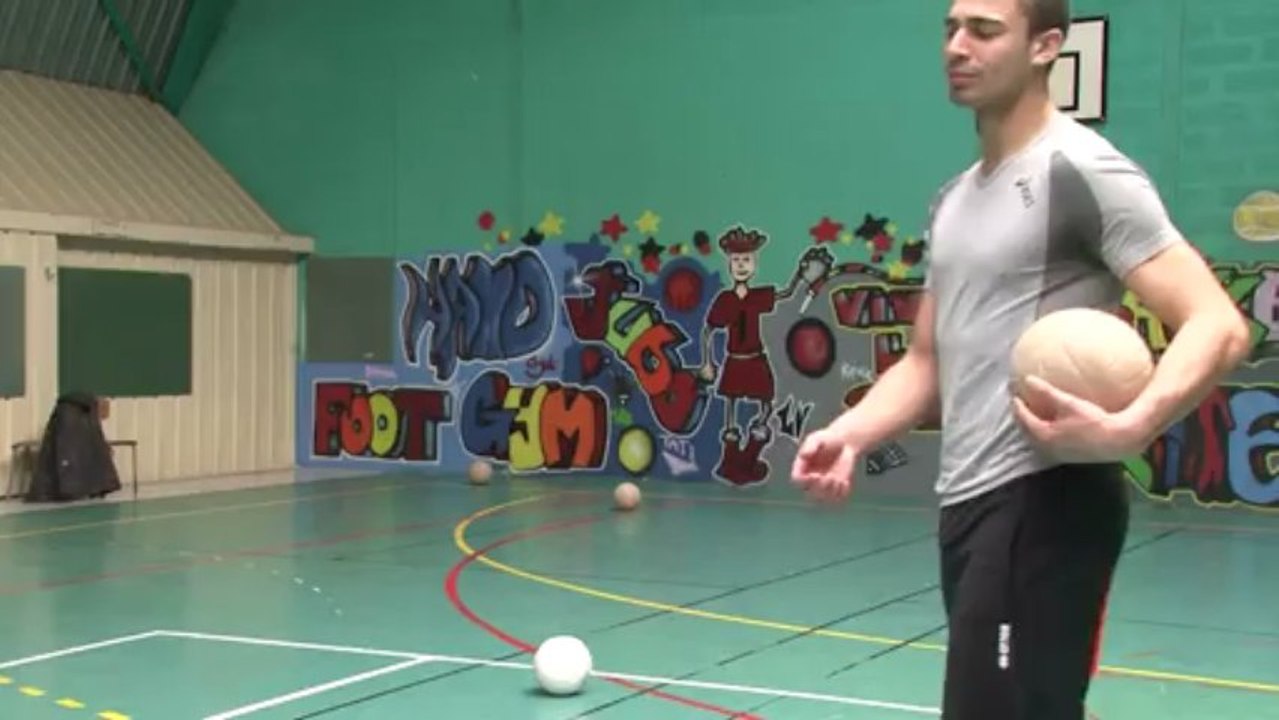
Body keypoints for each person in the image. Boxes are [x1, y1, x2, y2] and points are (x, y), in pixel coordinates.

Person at [789, 0, 1252, 718]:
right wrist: (849, 435)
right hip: (968, 502)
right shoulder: (952, 200)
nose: (957, 46)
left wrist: (1133, 425)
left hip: (1048, 499)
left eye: (983, 30)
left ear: (1045, 46)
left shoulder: (1083, 171)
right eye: (950, 28)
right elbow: (926, 361)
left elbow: (1217, 323)